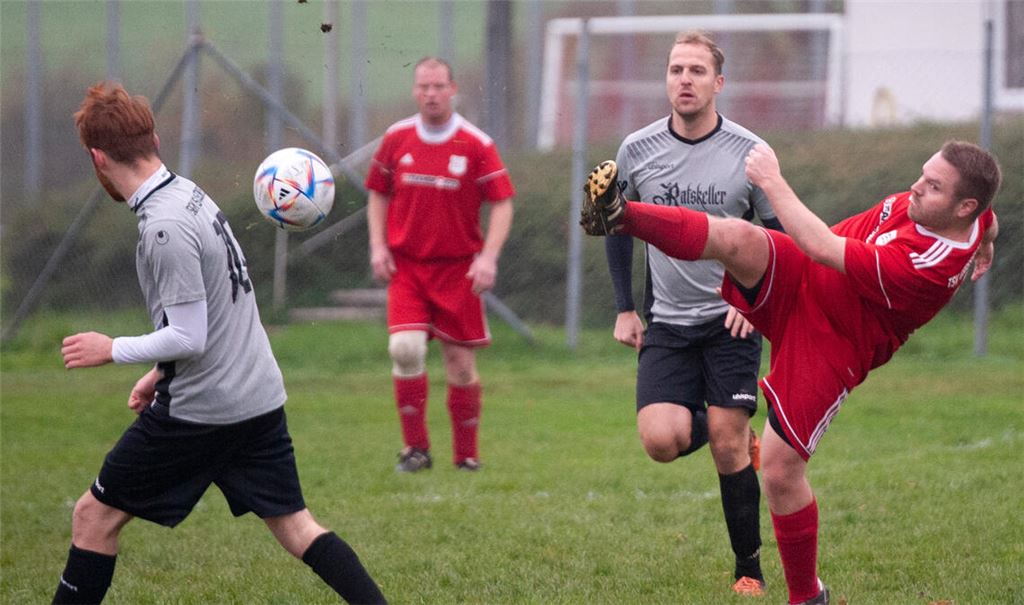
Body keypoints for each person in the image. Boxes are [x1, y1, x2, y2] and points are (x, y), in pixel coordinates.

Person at [581, 139, 1000, 605]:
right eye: (923, 174)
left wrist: (771, 180)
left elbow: (822, 245)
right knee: (738, 238)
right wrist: (986, 238)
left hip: (833, 341)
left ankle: (806, 596)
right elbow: (985, 214)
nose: (916, 188)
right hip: (807, 277)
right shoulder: (966, 213)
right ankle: (620, 216)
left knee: (780, 472)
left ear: (962, 206)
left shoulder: (924, 266)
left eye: (933, 185)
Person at [53, 81, 387, 605]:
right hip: (256, 396)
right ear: (155, 139)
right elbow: (220, 307)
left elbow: (190, 334)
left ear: (97, 157)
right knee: (297, 528)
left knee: (93, 517)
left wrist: (111, 348)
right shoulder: (187, 194)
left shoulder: (162, 225)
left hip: (204, 412)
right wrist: (159, 371)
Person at [603, 30, 782, 597]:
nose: (685, 79)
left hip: (732, 319)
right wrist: (625, 309)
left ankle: (748, 568)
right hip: (668, 322)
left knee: (728, 445)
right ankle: (722, 421)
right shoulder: (636, 148)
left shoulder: (750, 152)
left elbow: (778, 238)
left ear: (718, 83)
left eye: (697, 71)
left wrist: (757, 304)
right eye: (676, 69)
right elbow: (616, 224)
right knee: (660, 440)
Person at [365, 57, 515, 473]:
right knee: (405, 348)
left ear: (453, 90)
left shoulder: (475, 143)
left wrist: (489, 257)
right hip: (408, 269)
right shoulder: (397, 139)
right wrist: (378, 246)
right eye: (423, 87)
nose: (431, 94)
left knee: (460, 364)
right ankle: (416, 450)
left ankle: (466, 457)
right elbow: (378, 193)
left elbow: (502, 202)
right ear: (416, 91)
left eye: (438, 86)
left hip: (458, 270)